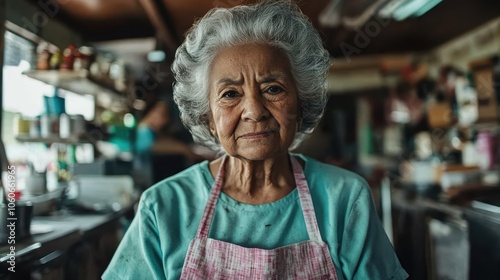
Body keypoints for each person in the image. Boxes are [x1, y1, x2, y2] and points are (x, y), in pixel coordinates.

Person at [103, 1, 408, 279]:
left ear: (301, 103)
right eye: (230, 94)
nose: (254, 111)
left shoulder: (344, 199)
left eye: (273, 88)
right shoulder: (164, 208)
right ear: (207, 117)